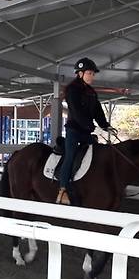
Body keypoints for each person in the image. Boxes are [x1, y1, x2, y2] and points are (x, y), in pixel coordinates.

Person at [56, 57, 117, 205]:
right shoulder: (72, 90)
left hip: (86, 132)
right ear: (80, 73)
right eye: (89, 73)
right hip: (74, 131)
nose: (92, 76)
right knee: (70, 156)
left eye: (93, 74)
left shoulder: (91, 92)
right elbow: (77, 113)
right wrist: (94, 128)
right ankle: (62, 190)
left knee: (98, 152)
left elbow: (97, 111)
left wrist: (105, 126)